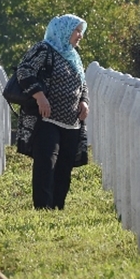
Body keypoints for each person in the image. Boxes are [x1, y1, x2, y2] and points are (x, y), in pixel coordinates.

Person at [15, 14, 90, 210]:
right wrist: (40, 96)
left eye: (80, 31)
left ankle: (58, 207)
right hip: (47, 119)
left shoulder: (74, 56)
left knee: (64, 166)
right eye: (76, 31)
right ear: (63, 31)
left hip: (72, 121)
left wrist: (84, 102)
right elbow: (24, 71)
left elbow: (82, 84)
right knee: (46, 163)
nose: (80, 35)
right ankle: (43, 207)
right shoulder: (44, 49)